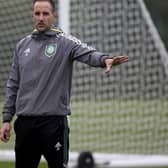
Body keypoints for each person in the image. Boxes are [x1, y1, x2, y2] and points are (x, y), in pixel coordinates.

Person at [0, 0, 128, 168]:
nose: (41, 18)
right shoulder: (22, 45)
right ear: (32, 15)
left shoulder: (65, 43)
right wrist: (7, 118)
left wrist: (105, 60)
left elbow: (88, 53)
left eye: (45, 14)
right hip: (25, 125)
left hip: (53, 125)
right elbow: (13, 84)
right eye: (37, 13)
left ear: (54, 15)